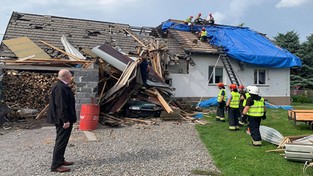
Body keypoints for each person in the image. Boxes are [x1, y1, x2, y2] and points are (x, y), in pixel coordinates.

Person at [47, 69, 77, 172]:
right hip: (62, 120)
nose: (71, 77)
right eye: (70, 76)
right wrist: (65, 120)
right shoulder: (60, 87)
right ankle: (55, 165)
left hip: (63, 118)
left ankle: (60, 160)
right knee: (61, 141)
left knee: (63, 141)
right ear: (67, 77)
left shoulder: (61, 86)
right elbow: (61, 106)